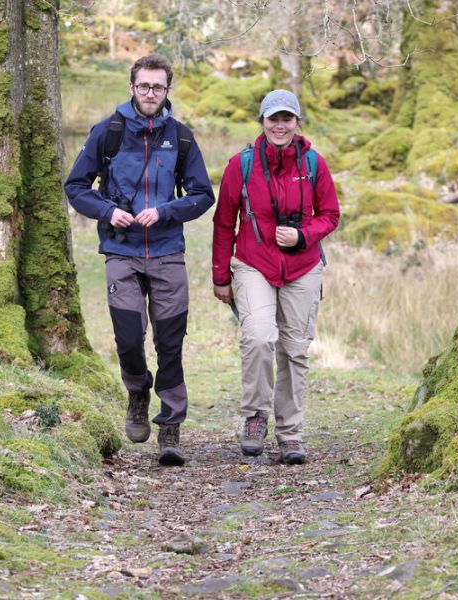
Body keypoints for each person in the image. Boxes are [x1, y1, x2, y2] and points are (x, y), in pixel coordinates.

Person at [65, 54, 215, 467]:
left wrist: (166, 211)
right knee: (128, 339)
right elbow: (76, 185)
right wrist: (107, 210)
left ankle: (170, 426)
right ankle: (136, 393)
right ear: (131, 87)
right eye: (144, 86)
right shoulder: (107, 133)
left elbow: (203, 195)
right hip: (121, 251)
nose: (151, 94)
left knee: (170, 342)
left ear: (168, 91)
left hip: (167, 252)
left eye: (158, 87)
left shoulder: (181, 138)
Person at [211, 89, 340, 465]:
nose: (280, 125)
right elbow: (223, 223)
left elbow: (330, 214)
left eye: (287, 119)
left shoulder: (314, 163)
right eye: (273, 119)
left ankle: (291, 435)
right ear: (262, 122)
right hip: (254, 263)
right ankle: (255, 416)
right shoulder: (242, 165)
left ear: (297, 122)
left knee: (295, 349)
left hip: (302, 266)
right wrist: (221, 275)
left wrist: (303, 235)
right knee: (258, 336)